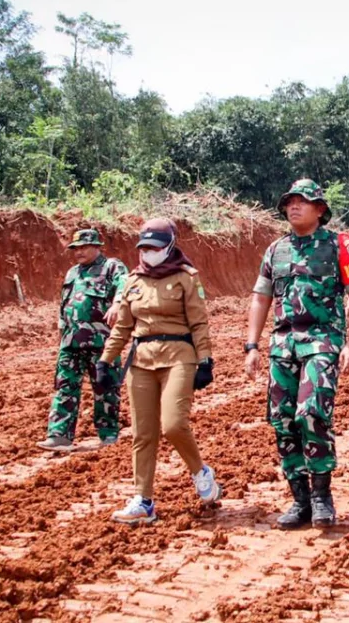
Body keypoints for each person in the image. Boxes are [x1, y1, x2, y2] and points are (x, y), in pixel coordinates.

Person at [244, 179, 349, 529]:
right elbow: (261, 298)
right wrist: (252, 345)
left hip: (322, 343)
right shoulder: (276, 250)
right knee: (282, 419)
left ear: (320, 209)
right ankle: (299, 500)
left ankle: (321, 495)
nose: (294, 206)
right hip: (283, 346)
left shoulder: (341, 245)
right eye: (290, 201)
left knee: (312, 413)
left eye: (303, 201)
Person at [101, 219, 223, 524]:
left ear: (168, 247)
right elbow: (124, 328)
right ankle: (143, 500)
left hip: (179, 356)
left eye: (154, 247)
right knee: (143, 433)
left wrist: (205, 360)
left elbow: (198, 322)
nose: (148, 253)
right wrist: (105, 361)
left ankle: (200, 472)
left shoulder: (185, 278)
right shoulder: (132, 281)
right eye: (144, 248)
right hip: (141, 360)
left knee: (173, 424)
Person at [37, 229, 129, 452]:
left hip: (101, 342)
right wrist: (61, 329)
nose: (79, 252)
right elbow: (64, 305)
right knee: (64, 387)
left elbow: (126, 284)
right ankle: (59, 435)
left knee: (105, 388)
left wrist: (117, 304)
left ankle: (108, 435)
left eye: (84, 247)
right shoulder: (72, 273)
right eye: (75, 248)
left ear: (97, 247)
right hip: (71, 342)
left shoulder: (111, 267)